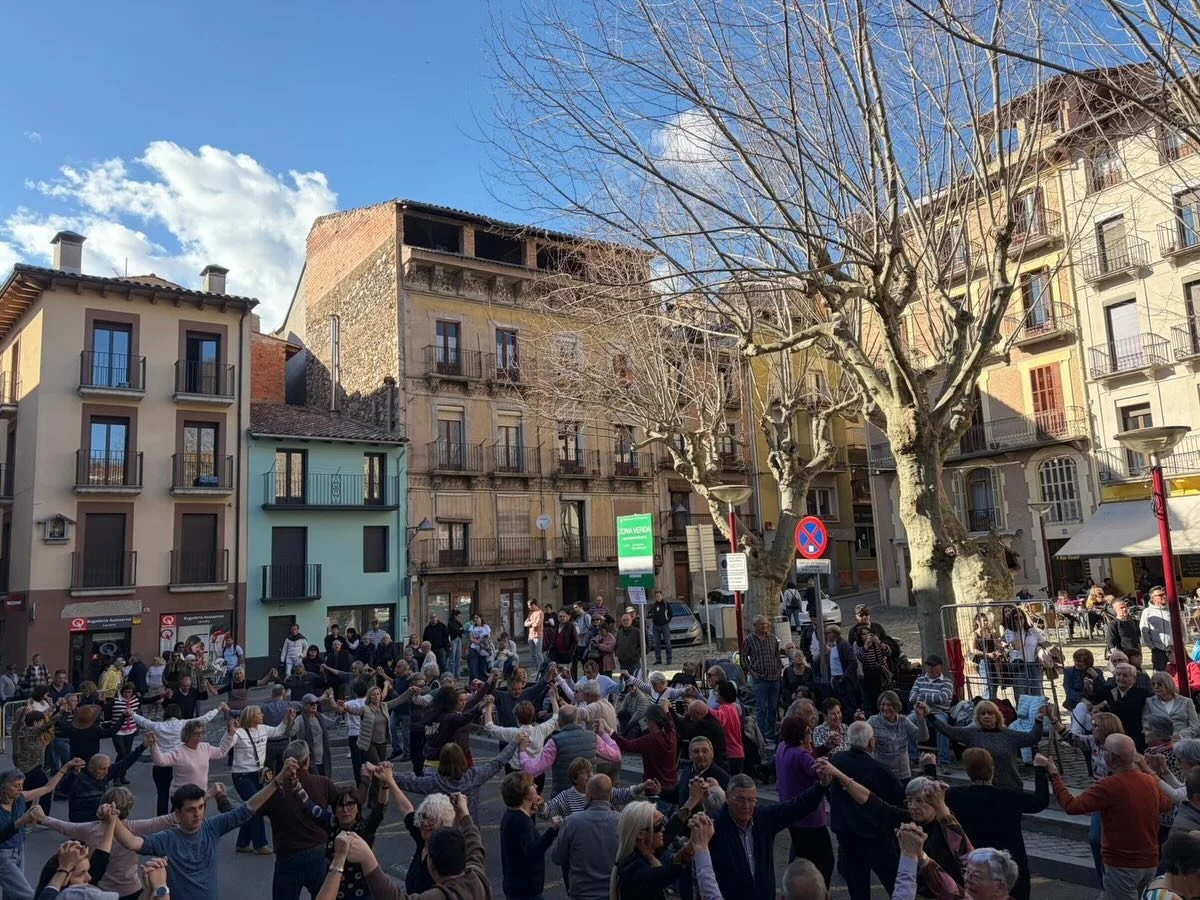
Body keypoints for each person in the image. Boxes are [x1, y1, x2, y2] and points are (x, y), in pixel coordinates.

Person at [111, 765, 290, 900]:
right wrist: (113, 820)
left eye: (201, 807)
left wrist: (277, 781)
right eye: (190, 810)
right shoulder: (167, 839)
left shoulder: (211, 827)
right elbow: (132, 842)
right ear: (178, 813)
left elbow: (247, 808)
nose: (197, 814)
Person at [1046, 735, 1173, 897]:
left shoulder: (1108, 786)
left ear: (1111, 757)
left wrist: (1054, 776)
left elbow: (1072, 806)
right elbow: (1167, 804)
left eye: (1105, 749)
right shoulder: (1149, 781)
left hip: (1122, 864)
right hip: (1150, 861)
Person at [922, 747, 1048, 900]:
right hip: (1008, 864)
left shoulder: (955, 795)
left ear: (967, 771)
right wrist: (1040, 769)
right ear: (993, 769)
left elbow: (934, 797)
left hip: (973, 866)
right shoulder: (1010, 797)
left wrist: (930, 768)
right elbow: (1040, 801)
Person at [316, 791, 486, 900]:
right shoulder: (477, 877)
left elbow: (394, 897)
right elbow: (474, 842)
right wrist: (464, 813)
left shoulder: (441, 895)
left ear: (432, 867)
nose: (425, 823)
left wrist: (367, 859)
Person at [34, 783, 178, 900]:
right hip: (131, 888)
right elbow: (165, 820)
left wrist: (43, 818)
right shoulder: (136, 827)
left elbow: (64, 827)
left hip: (102, 888)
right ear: (129, 808)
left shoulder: (89, 829)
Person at [824, 721, 904, 899]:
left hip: (847, 837)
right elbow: (899, 796)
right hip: (876, 837)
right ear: (871, 742)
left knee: (858, 890)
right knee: (896, 887)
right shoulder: (880, 770)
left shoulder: (837, 760)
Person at [292, 765, 390, 900]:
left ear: (357, 808)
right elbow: (309, 806)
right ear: (335, 809)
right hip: (336, 893)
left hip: (362, 894)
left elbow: (381, 807)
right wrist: (295, 784)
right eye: (341, 806)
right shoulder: (332, 824)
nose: (345, 810)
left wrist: (384, 784)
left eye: (350, 804)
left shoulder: (364, 828)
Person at [260, 742, 337, 900]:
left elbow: (249, 813)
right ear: (308, 761)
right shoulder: (323, 783)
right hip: (318, 854)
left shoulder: (274, 791)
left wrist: (222, 799)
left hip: (287, 858)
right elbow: (344, 808)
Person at [0, 762, 83, 900]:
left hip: (19, 850)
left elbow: (48, 787)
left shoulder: (19, 798)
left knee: (12, 893)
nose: (20, 789)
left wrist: (65, 768)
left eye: (21, 785)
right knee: (27, 895)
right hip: (3, 856)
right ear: (3, 787)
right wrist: (22, 821)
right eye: (16, 786)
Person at [921, 698, 1044, 792]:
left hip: (1010, 787)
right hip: (983, 788)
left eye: (990, 713)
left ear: (997, 716)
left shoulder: (1008, 735)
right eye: (983, 713)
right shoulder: (971, 733)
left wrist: (1038, 720)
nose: (986, 716)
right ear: (978, 717)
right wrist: (929, 715)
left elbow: (1031, 738)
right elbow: (948, 730)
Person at [231, 704, 296, 854]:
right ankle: (260, 844)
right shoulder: (239, 733)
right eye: (259, 714)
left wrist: (287, 719)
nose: (262, 716)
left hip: (258, 773)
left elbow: (279, 730)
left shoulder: (263, 729)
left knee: (251, 806)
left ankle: (242, 842)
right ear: (252, 717)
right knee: (256, 806)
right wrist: (229, 733)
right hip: (242, 774)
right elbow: (226, 745)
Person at [775, 715, 833, 886]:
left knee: (799, 855)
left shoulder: (781, 748)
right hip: (811, 818)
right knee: (824, 861)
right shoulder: (801, 754)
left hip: (791, 812)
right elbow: (819, 771)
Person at [396, 740, 521, 817]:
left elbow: (406, 781)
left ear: (442, 761)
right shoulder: (474, 776)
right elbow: (497, 762)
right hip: (469, 830)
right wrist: (515, 742)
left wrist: (381, 770)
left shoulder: (434, 782)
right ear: (462, 759)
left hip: (444, 832)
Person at [519, 705, 621, 796]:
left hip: (563, 798)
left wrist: (522, 751)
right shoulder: (593, 737)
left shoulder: (554, 742)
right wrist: (603, 734)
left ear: (559, 722)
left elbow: (531, 770)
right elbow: (616, 755)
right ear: (578, 719)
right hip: (587, 795)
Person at [551, 774, 622, 900]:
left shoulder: (572, 822)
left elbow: (557, 857)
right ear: (610, 795)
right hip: (613, 893)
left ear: (589, 795)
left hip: (581, 894)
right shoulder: (623, 821)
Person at [612, 800, 694, 900]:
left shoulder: (644, 854)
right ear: (641, 834)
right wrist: (695, 840)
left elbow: (671, 830)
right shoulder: (635, 870)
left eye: (663, 822)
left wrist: (693, 800)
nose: (663, 829)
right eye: (659, 825)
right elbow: (664, 876)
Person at [499, 771, 562, 900]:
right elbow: (533, 851)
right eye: (532, 784)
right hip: (526, 889)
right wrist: (552, 829)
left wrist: (531, 809)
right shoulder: (521, 821)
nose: (537, 786)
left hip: (516, 886)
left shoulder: (512, 815)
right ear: (523, 792)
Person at [146, 718, 237, 796]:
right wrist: (153, 746)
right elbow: (161, 761)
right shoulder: (178, 751)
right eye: (196, 733)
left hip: (201, 795)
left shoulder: (205, 747)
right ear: (188, 734)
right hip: (182, 797)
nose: (199, 736)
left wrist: (230, 735)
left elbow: (222, 752)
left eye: (201, 733)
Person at [65, 747, 147, 824]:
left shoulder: (104, 775)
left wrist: (143, 746)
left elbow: (124, 763)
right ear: (91, 767)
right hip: (82, 822)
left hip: (100, 819)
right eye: (102, 769)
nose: (106, 772)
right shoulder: (79, 779)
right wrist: (74, 774)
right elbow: (64, 790)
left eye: (108, 768)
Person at [614, 704, 679, 794]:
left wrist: (611, 732)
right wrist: (667, 708)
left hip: (655, 787)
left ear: (649, 720)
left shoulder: (650, 739)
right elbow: (670, 720)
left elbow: (627, 745)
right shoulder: (671, 733)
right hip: (673, 786)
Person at [1091, 662, 1152, 752]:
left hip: (1133, 737)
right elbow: (1092, 698)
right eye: (1118, 675)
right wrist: (1088, 689)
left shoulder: (1141, 693)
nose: (1121, 678)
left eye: (1125, 675)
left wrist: (1105, 704)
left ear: (1134, 678)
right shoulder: (1108, 690)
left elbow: (1125, 708)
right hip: (1109, 736)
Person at [869, 690, 927, 780]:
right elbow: (863, 741)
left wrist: (920, 719)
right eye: (882, 704)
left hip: (903, 774)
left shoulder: (904, 721)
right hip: (881, 774)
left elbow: (923, 737)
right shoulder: (873, 721)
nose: (885, 708)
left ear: (896, 706)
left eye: (889, 705)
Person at [907, 655, 954, 766]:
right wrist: (930, 697)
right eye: (928, 665)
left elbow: (942, 698)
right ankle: (913, 756)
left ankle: (944, 761)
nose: (930, 668)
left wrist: (922, 695)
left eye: (933, 665)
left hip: (938, 712)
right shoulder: (920, 680)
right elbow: (911, 697)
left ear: (940, 667)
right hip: (919, 712)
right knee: (908, 722)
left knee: (942, 726)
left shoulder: (947, 682)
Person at [742, 614, 782, 742]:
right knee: (761, 708)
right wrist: (751, 672)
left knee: (772, 706)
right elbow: (743, 657)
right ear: (755, 626)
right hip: (760, 679)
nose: (765, 626)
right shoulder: (749, 640)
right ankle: (761, 734)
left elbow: (777, 655)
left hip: (774, 677)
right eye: (761, 624)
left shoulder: (773, 639)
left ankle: (770, 732)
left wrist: (779, 669)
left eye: (766, 624)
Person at [1002, 605, 1044, 700]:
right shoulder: (1009, 632)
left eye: (1020, 617)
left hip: (1033, 665)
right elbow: (1017, 646)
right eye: (1015, 618)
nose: (1018, 620)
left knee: (1037, 696)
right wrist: (1020, 630)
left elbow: (1044, 642)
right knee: (1022, 697)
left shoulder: (1032, 631)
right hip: (1019, 666)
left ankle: (1036, 714)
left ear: (1024, 618)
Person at [1147, 670, 1200, 738]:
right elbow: (1146, 723)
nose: (1156, 687)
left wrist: (1181, 735)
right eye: (1153, 684)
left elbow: (1195, 725)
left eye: (1159, 684)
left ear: (1168, 684)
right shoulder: (1149, 702)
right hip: (1160, 740)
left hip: (1183, 740)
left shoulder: (1186, 702)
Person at [711, 681, 746, 774]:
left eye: (717, 692)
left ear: (723, 694)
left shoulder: (726, 708)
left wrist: (703, 708)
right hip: (737, 753)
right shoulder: (732, 707)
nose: (715, 694)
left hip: (731, 754)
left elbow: (719, 718)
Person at [969, 611, 1003, 701]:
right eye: (983, 620)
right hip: (983, 662)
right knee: (987, 685)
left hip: (993, 661)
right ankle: (986, 705)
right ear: (977, 621)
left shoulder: (990, 634)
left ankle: (992, 704)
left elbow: (995, 646)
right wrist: (987, 654)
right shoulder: (974, 634)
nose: (985, 622)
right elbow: (972, 650)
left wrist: (997, 652)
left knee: (995, 684)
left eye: (986, 620)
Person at [1142, 586, 1174, 673]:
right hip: (1158, 649)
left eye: (1164, 594)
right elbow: (1144, 631)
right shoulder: (1147, 612)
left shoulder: (1172, 609)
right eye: (1160, 595)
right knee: (1160, 674)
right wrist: (1152, 646)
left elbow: (1181, 626)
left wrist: (1183, 642)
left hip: (1174, 648)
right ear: (1153, 599)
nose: (1164, 596)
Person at [649, 591, 674, 666]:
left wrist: (666, 620)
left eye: (659, 596)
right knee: (657, 644)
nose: (658, 597)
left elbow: (670, 614)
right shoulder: (653, 605)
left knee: (667, 643)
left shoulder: (666, 604)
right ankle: (658, 659)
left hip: (664, 626)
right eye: (656, 596)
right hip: (655, 626)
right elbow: (650, 613)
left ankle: (669, 659)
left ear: (662, 596)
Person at [467, 614, 493, 682]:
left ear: (481, 618)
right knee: (473, 666)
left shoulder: (486, 627)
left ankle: (483, 682)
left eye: (477, 618)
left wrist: (481, 641)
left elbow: (488, 637)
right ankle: (473, 682)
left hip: (483, 648)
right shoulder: (472, 627)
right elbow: (470, 638)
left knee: (482, 666)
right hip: (474, 648)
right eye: (474, 618)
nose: (475, 619)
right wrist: (476, 641)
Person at [525, 600, 545, 673]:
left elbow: (537, 624)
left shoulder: (540, 613)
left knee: (539, 654)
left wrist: (531, 624)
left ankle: (542, 669)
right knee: (533, 654)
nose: (528, 607)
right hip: (530, 636)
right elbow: (525, 623)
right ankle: (538, 669)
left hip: (538, 635)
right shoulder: (530, 613)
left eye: (529, 605)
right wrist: (532, 622)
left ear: (533, 604)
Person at [448, 609, 465, 677]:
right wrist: (459, 630)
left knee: (458, 657)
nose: (459, 618)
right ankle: (451, 673)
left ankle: (457, 673)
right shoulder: (450, 622)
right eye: (458, 616)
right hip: (453, 639)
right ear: (455, 616)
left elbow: (462, 630)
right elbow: (453, 631)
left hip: (459, 639)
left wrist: (459, 630)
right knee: (452, 657)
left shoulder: (459, 623)